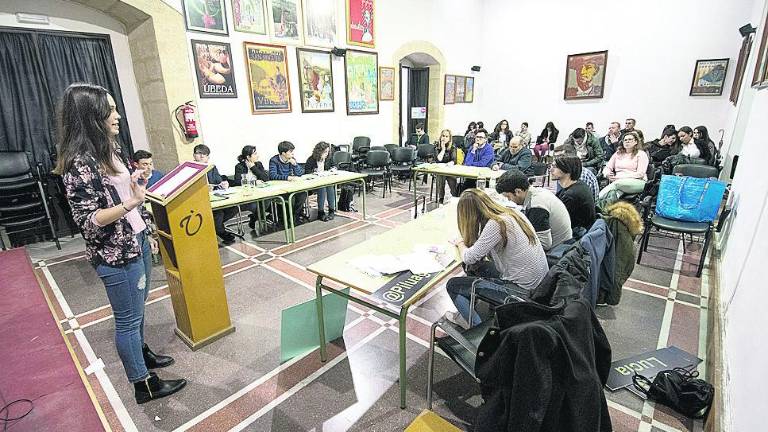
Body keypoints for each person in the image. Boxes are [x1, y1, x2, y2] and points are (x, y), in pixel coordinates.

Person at [55, 83, 185, 404]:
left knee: (137, 312)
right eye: (109, 110)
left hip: (136, 238)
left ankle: (143, 356)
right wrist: (130, 204)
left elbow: (129, 194)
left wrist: (146, 226)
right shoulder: (78, 163)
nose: (117, 115)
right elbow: (89, 220)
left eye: (115, 108)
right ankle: (144, 384)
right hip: (114, 253)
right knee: (127, 320)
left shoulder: (109, 148)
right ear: (89, 116)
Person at [445, 189, 548, 327]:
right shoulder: (511, 212)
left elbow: (469, 257)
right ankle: (476, 306)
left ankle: (475, 327)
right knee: (478, 267)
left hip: (522, 292)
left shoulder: (496, 224)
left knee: (453, 285)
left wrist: (460, 243)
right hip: (540, 284)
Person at [495, 169, 572, 250]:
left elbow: (544, 244)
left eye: (508, 197)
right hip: (561, 243)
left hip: (556, 251)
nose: (509, 200)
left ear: (518, 191)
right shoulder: (538, 191)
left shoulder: (536, 205)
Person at [193, 144, 238, 245]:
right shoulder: (191, 169)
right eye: (198, 154)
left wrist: (223, 184)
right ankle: (220, 231)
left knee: (233, 208)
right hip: (199, 200)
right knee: (218, 213)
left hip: (215, 197)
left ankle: (213, 228)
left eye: (203, 155)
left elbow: (218, 180)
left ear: (208, 157)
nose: (200, 157)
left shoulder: (212, 168)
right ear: (194, 155)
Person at [599, 131, 649, 204]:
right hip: (619, 183)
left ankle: (597, 198)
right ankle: (603, 209)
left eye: (630, 140)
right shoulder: (618, 153)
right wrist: (607, 174)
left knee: (617, 184)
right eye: (625, 140)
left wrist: (620, 178)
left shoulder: (641, 154)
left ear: (636, 142)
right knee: (614, 193)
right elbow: (607, 167)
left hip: (638, 182)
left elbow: (640, 174)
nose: (627, 142)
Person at [551, 156, 597, 231]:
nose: (551, 170)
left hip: (577, 237)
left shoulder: (571, 195)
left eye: (555, 167)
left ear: (567, 170)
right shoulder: (579, 184)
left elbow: (557, 223)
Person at [269, 141, 308, 224]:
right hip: (280, 188)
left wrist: (295, 165)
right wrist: (287, 178)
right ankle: (289, 217)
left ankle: (295, 216)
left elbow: (300, 173)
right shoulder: (274, 161)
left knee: (303, 194)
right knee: (291, 197)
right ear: (283, 153)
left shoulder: (292, 160)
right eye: (290, 152)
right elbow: (273, 176)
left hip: (291, 187)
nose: (292, 154)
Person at [233, 145, 269, 229]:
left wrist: (253, 168)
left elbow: (265, 178)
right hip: (248, 194)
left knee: (267, 201)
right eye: (255, 154)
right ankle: (257, 217)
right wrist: (254, 182)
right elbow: (238, 182)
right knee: (254, 206)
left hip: (260, 193)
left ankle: (254, 217)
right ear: (248, 157)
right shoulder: (239, 166)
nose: (258, 156)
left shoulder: (258, 164)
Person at [304, 141, 337, 221]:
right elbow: (307, 172)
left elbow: (334, 166)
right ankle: (321, 212)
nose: (327, 153)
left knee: (330, 186)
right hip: (314, 183)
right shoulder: (311, 159)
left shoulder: (328, 158)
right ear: (319, 152)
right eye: (325, 152)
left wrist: (333, 169)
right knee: (322, 188)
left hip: (326, 180)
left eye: (328, 152)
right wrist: (315, 173)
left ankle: (331, 210)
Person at [434, 129, 459, 203]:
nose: (444, 138)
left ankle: (455, 197)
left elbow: (454, 160)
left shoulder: (453, 147)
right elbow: (438, 160)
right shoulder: (436, 146)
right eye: (443, 136)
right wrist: (443, 149)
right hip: (440, 170)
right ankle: (441, 199)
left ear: (449, 138)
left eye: (446, 136)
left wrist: (450, 163)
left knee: (452, 181)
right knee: (440, 176)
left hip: (449, 170)